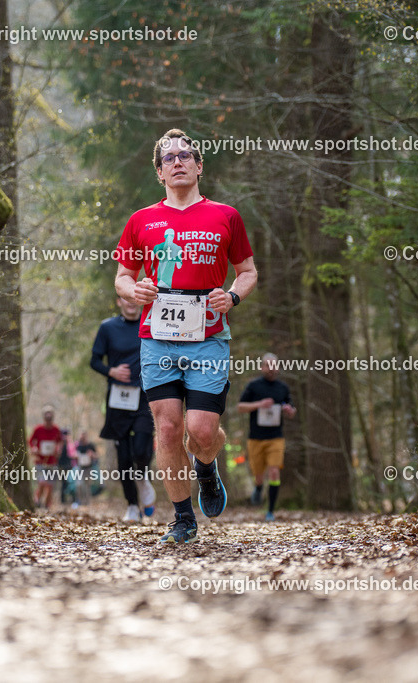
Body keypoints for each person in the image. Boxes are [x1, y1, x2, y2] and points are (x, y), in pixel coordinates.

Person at [114, 128, 257, 543]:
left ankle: (207, 469)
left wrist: (231, 295)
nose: (178, 161)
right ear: (160, 172)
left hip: (208, 336)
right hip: (157, 338)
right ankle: (182, 519)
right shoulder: (141, 220)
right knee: (169, 429)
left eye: (185, 155)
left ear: (199, 166)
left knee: (203, 431)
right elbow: (124, 276)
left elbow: (247, 271)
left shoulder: (226, 216)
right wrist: (133, 288)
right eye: (169, 158)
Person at [91, 296, 158, 521]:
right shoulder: (108, 327)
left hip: (145, 396)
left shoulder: (152, 322)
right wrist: (112, 371)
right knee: (123, 455)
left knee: (141, 448)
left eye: (134, 298)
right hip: (118, 398)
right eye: (126, 298)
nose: (130, 302)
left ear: (140, 301)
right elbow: (95, 360)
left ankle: (143, 478)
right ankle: (132, 506)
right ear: (118, 301)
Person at [237, 353, 296, 521]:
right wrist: (259, 405)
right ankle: (258, 486)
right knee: (258, 473)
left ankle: (270, 510)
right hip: (255, 437)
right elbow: (240, 407)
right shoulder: (253, 386)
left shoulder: (283, 388)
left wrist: (289, 410)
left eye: (274, 365)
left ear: (278, 367)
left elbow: (291, 407)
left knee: (274, 471)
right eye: (268, 365)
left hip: (276, 437)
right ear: (262, 367)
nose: (271, 368)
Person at [29, 405, 63, 509]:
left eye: (50, 417)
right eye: (46, 417)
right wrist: (33, 448)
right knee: (42, 482)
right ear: (44, 417)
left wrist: (58, 450)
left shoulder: (56, 429)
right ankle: (37, 501)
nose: (48, 420)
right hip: (40, 461)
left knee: (50, 485)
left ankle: (47, 506)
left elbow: (60, 442)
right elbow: (31, 441)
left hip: (52, 462)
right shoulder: (38, 429)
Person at [74, 431, 98, 507]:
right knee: (79, 484)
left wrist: (92, 454)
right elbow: (73, 455)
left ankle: (87, 502)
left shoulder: (90, 445)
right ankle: (79, 501)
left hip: (88, 468)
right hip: (80, 467)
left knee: (87, 486)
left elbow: (96, 456)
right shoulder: (78, 446)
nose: (82, 439)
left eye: (83, 437)